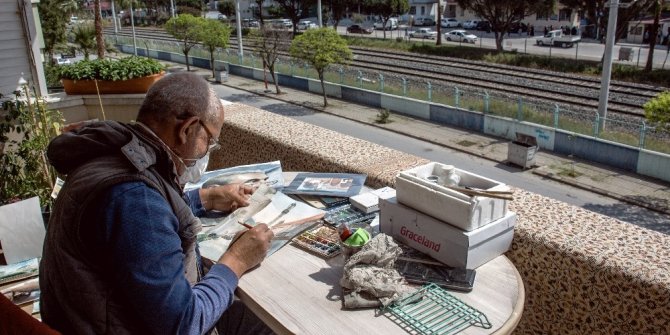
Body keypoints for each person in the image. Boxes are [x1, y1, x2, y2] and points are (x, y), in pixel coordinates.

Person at [39, 72, 275, 335]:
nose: (207, 151)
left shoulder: (111, 157)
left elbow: (144, 220)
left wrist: (206, 197)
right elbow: (184, 324)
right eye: (209, 140)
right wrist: (237, 260)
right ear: (187, 129)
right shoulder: (134, 197)